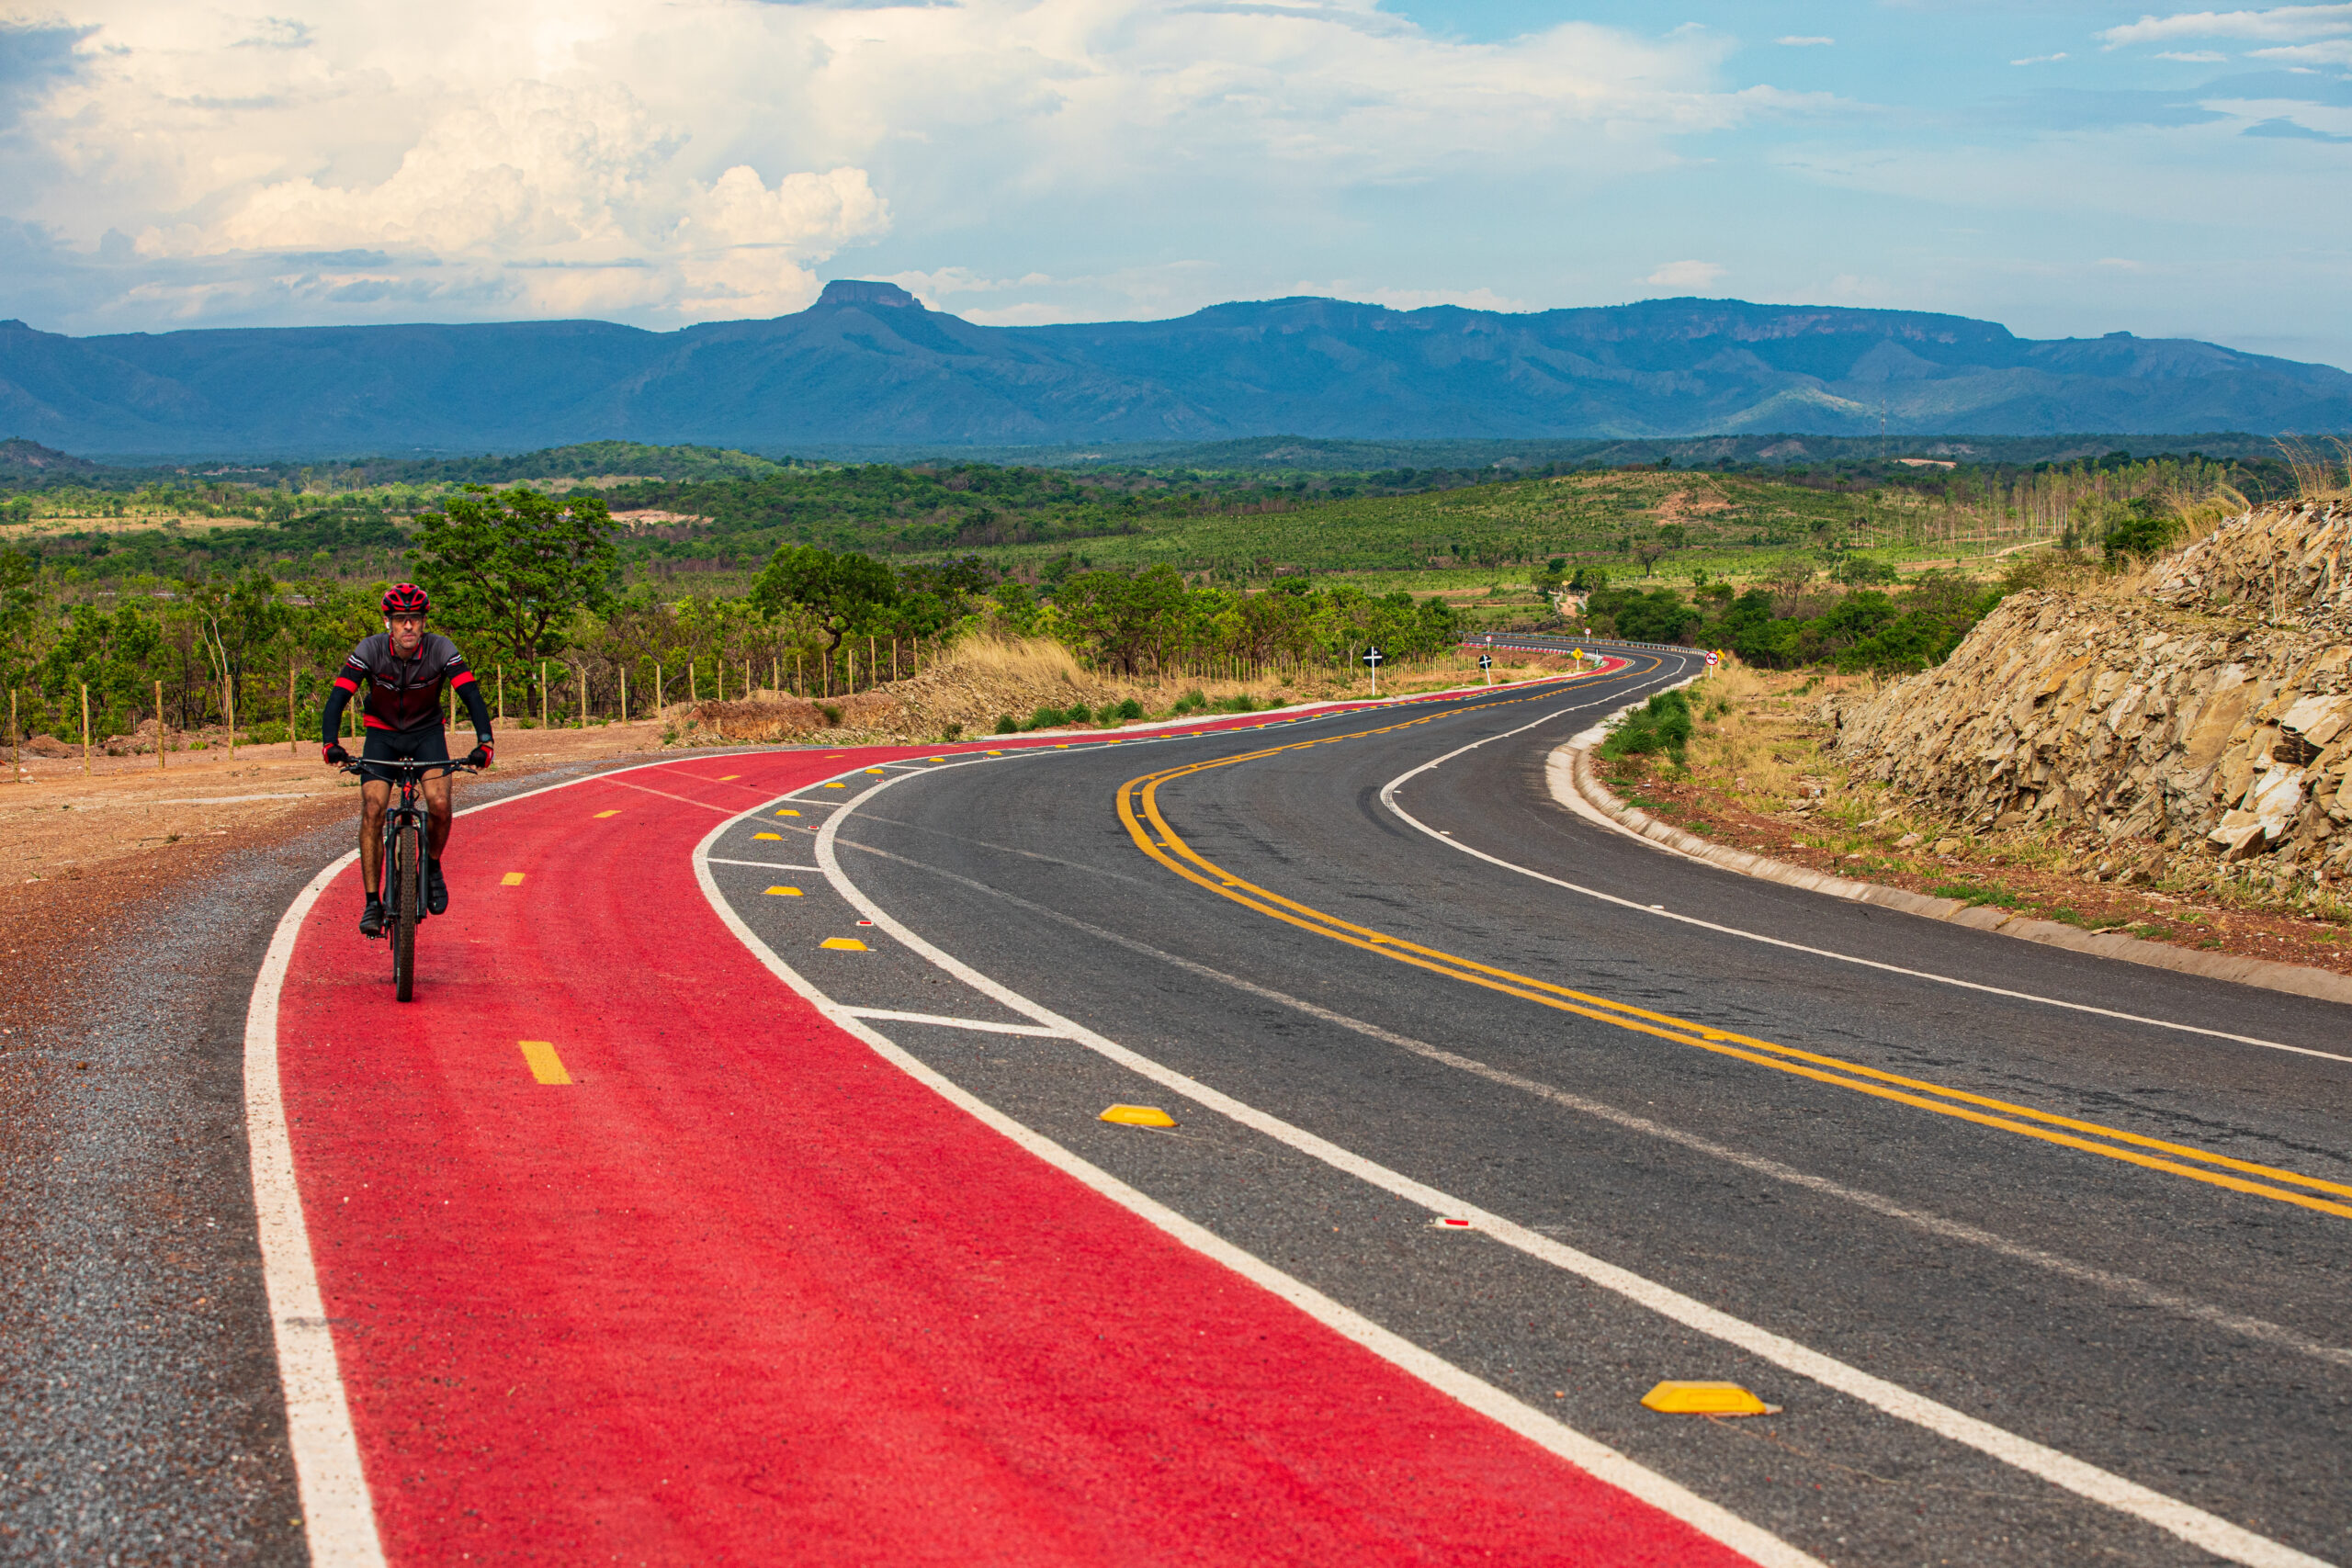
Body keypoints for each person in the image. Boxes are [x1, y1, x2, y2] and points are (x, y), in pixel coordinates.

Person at [321, 584, 495, 937]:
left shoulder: (441, 649)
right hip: (381, 734)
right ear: (389, 623)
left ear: (423, 621)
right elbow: (338, 696)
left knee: (441, 803)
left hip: (427, 733)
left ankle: (431, 867)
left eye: (414, 619)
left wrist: (485, 742)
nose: (408, 628)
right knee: (373, 808)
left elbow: (471, 694)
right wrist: (330, 742)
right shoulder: (369, 650)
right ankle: (372, 902)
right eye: (401, 620)